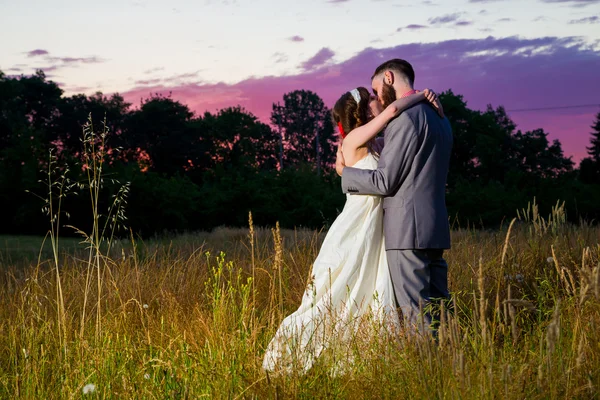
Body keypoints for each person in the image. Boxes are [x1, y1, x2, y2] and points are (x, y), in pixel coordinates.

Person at [262, 86, 442, 373]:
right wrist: (423, 94)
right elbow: (394, 110)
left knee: (371, 282)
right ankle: (297, 344)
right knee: (341, 282)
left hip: (377, 221)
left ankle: (371, 350)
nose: (378, 101)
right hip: (359, 220)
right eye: (372, 99)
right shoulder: (355, 138)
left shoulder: (372, 141)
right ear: (359, 109)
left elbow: (396, 147)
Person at [336, 58, 453, 335]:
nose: (376, 97)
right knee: (440, 309)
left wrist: (345, 173)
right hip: (434, 226)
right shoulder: (440, 117)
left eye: (376, 90)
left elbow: (385, 181)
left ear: (389, 77)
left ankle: (431, 373)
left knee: (417, 314)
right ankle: (452, 364)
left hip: (406, 231)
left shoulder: (405, 120)